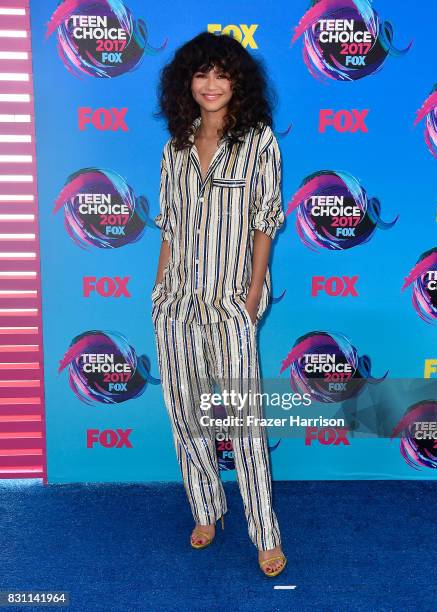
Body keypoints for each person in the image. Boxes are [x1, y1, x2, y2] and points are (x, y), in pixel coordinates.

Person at [151, 31, 286, 577]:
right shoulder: (176, 146)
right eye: (201, 74)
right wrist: (158, 290)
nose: (210, 85)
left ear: (238, 82)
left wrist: (251, 296)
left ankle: (265, 533)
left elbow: (265, 223)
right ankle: (207, 509)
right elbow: (170, 226)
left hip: (230, 302)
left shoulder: (259, 142)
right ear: (188, 81)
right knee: (184, 413)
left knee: (245, 420)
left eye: (221, 74)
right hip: (177, 301)